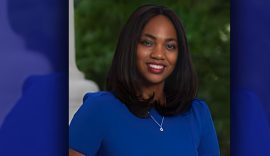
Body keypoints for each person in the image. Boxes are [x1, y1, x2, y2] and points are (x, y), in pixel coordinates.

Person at [69, 4, 220, 156]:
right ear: (130, 47)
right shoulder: (99, 109)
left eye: (170, 46)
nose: (158, 54)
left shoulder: (197, 113)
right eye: (148, 42)